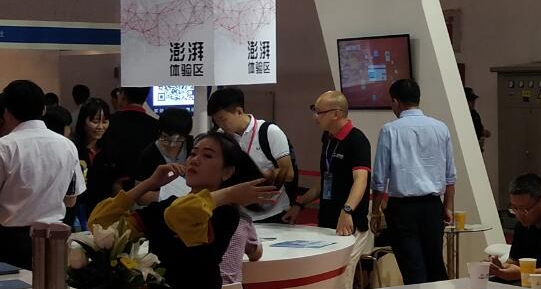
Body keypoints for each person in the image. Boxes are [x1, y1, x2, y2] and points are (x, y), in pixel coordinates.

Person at [88, 131, 275, 289]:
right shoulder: (167, 206)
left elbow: (179, 214)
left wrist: (228, 194)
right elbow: (101, 225)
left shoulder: (224, 213)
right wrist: (149, 183)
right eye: (193, 153)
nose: (195, 160)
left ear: (227, 172)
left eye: (207, 156)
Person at [370, 78, 456, 285]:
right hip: (432, 206)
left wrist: (375, 212)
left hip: (403, 209)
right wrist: (447, 206)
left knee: (412, 267)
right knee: (435, 264)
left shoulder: (390, 130)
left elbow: (380, 178)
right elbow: (450, 175)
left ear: (395, 101)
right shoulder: (440, 128)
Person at [0, 80, 84, 269]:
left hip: (10, 242)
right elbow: (71, 199)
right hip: (54, 237)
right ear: (44, 109)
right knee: (52, 286)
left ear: (7, 111)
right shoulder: (67, 146)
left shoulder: (5, 147)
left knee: (14, 287)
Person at [284, 91, 372, 251]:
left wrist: (347, 210)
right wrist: (299, 203)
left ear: (336, 114)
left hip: (349, 222)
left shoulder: (357, 140)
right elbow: (325, 179)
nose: (315, 117)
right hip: (327, 220)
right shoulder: (328, 138)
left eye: (319, 112)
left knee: (343, 268)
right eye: (314, 110)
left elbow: (361, 180)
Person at [207, 87, 294, 223]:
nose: (220, 125)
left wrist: (260, 175)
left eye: (223, 119)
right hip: (238, 213)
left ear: (239, 111)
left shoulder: (269, 132)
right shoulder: (221, 138)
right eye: (216, 121)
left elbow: (289, 173)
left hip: (273, 212)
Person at [99, 87, 158, 195]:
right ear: (145, 98)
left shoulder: (109, 122)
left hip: (111, 188)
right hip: (146, 189)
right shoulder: (156, 126)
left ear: (123, 96)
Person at [69, 97, 112, 229]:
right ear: (83, 121)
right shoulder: (72, 148)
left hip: (105, 211)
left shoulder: (111, 149)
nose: (100, 127)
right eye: (95, 121)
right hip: (78, 213)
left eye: (105, 121)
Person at [135, 108, 194, 204]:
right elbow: (139, 195)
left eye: (178, 139)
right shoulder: (149, 154)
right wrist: (165, 196)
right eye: (165, 138)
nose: (172, 144)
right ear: (159, 132)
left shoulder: (194, 147)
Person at [465, 87, 491, 152]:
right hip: (468, 148)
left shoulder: (475, 114)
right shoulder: (463, 115)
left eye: (474, 100)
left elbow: (480, 128)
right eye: (471, 100)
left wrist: (484, 132)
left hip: (478, 148)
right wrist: (481, 133)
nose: (473, 102)